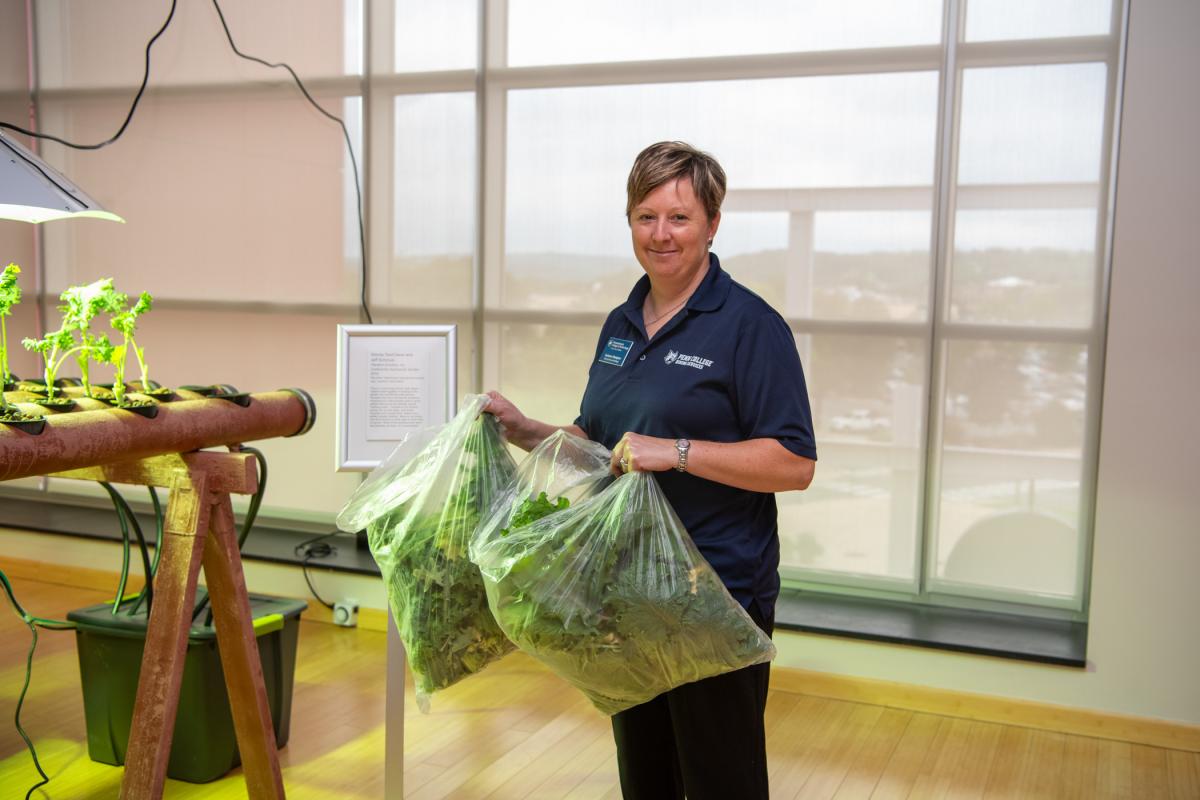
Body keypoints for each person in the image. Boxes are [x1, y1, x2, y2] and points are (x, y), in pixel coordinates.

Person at [484, 140, 816, 799]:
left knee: (722, 782)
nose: (661, 234)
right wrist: (525, 430)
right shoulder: (621, 323)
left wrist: (678, 450)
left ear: (712, 224)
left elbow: (794, 463)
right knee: (646, 777)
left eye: (679, 217)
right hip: (625, 592)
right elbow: (599, 443)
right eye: (646, 216)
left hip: (714, 597)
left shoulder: (750, 326)